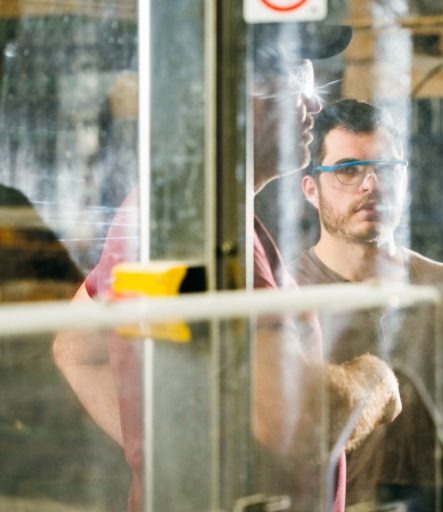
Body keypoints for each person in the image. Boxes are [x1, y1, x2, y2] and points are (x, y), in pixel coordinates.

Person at [52, 25, 401, 512]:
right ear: (243, 95)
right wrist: (375, 382)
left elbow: (77, 347)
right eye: (300, 80)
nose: (316, 106)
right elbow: (295, 420)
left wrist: (167, 459)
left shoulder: (180, 214)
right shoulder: (205, 231)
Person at [292, 98, 443, 505]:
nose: (371, 185)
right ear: (310, 188)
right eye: (348, 170)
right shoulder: (288, 297)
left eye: (386, 169)